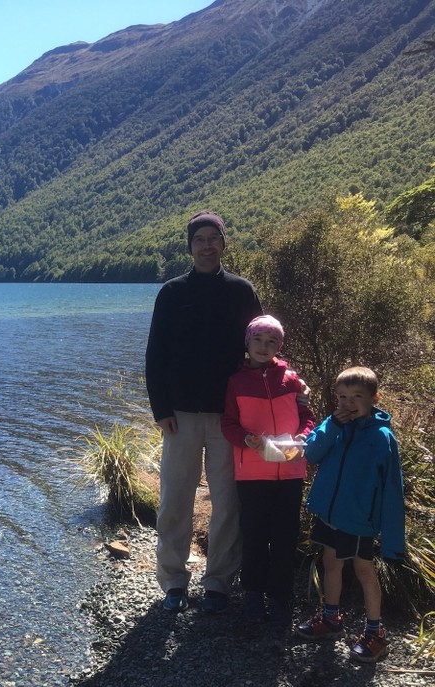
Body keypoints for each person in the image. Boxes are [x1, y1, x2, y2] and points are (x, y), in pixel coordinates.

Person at [145, 210, 263, 613]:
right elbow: (155, 355)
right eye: (200, 239)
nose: (207, 245)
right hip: (179, 414)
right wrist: (161, 408)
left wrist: (285, 388)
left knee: (227, 500)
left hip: (229, 417)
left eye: (213, 238)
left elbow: (261, 348)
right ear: (190, 246)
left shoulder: (242, 291)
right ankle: (174, 581)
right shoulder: (172, 293)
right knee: (175, 498)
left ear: (223, 243)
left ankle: (218, 583)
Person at [295, 366, 405, 663]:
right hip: (331, 514)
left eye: (357, 396)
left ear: (374, 398)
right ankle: (331, 618)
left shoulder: (382, 438)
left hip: (359, 520)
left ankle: (375, 632)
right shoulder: (335, 426)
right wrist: (332, 425)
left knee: (363, 570)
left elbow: (393, 489)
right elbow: (312, 453)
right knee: (331, 562)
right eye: (342, 397)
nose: (348, 404)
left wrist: (394, 540)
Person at [221, 314, 315, 628]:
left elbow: (307, 417)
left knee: (285, 536)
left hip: (290, 470)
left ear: (279, 345)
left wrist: (303, 436)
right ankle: (252, 595)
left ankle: (280, 598)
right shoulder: (236, 381)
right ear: (247, 343)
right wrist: (245, 439)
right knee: (255, 536)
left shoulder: (291, 379)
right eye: (258, 340)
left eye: (271, 341)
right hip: (253, 473)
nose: (264, 347)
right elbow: (229, 424)